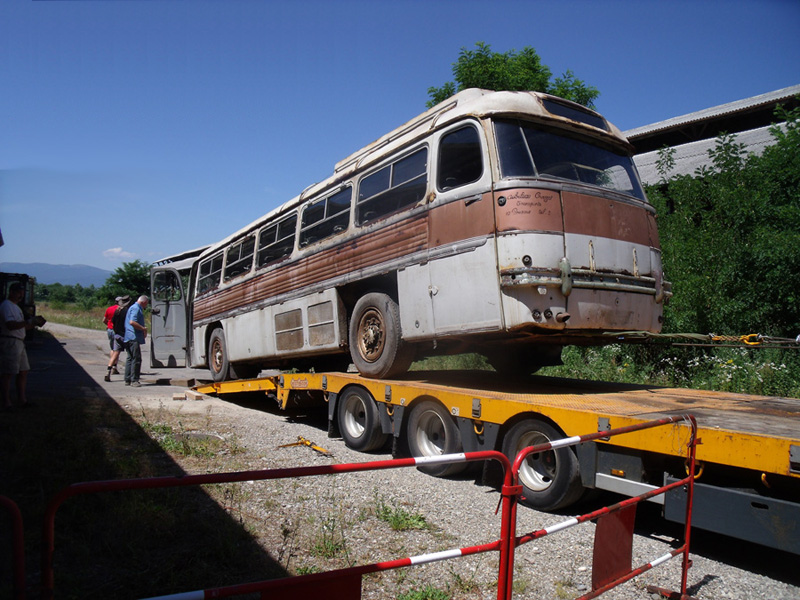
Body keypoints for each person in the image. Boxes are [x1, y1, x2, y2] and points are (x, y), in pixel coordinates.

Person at [1, 283, 46, 409]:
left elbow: (22, 326)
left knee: (23, 371)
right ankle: (6, 402)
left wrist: (34, 323)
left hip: (19, 341)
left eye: (22, 293)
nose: (20, 296)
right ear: (11, 292)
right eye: (18, 293)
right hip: (10, 341)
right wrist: (27, 322)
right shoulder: (6, 306)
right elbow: (10, 325)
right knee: (8, 372)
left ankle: (22, 400)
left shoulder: (16, 307)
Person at [123, 295, 149, 387]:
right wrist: (143, 329)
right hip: (133, 337)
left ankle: (127, 379)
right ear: (143, 302)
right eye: (147, 303)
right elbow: (132, 322)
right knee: (136, 359)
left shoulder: (133, 307)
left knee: (130, 358)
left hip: (128, 337)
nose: (147, 305)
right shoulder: (136, 308)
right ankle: (134, 380)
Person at [104, 295, 131, 382]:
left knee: (115, 352)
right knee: (130, 355)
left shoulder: (117, 311)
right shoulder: (127, 311)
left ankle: (109, 370)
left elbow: (112, 322)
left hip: (117, 335)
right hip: (126, 335)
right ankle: (129, 374)